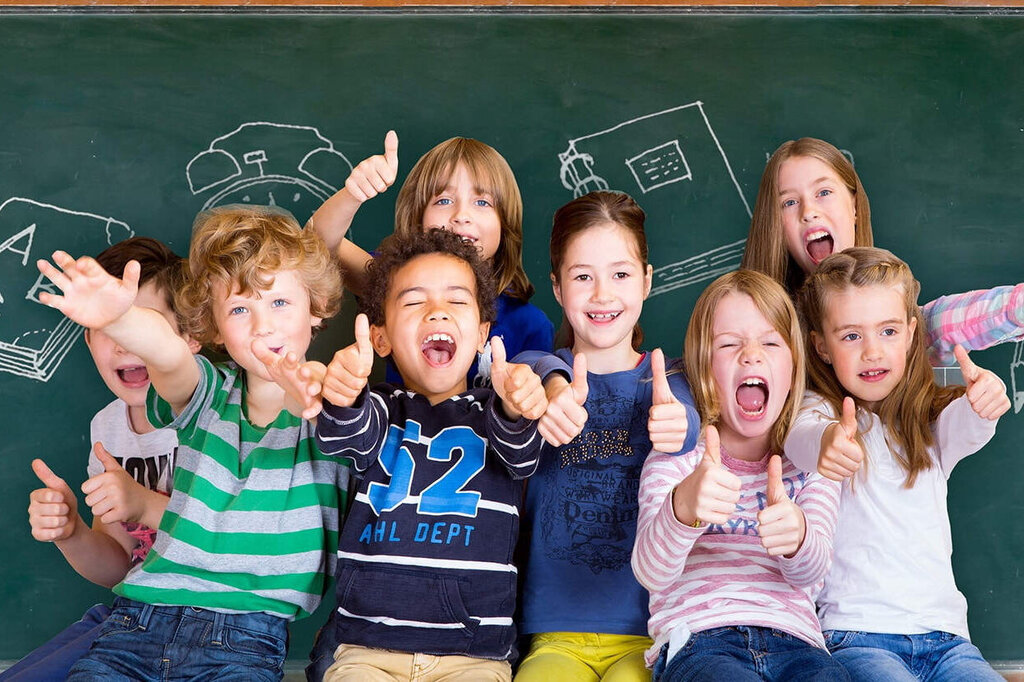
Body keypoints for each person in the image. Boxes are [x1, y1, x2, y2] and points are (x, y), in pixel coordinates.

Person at [35, 205, 349, 681]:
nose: (262, 325)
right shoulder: (207, 397)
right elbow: (167, 354)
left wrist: (321, 389)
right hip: (138, 623)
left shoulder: (338, 405)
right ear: (214, 328)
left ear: (317, 310)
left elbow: (335, 408)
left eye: (279, 303)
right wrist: (121, 320)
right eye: (240, 309)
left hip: (246, 641)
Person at [272, 227, 548, 681]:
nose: (437, 311)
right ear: (380, 338)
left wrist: (520, 407)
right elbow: (345, 432)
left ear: (482, 334)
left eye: (456, 301)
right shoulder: (380, 408)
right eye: (414, 301)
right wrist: (343, 391)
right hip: (367, 649)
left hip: (473, 655)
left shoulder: (496, 411)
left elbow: (521, 457)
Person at [787, 247, 1010, 682]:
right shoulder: (818, 412)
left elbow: (971, 421)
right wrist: (830, 442)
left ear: (911, 335)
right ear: (822, 346)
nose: (872, 351)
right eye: (851, 336)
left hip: (947, 640)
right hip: (857, 637)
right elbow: (803, 440)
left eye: (888, 331)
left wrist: (988, 398)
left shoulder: (928, 423)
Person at [513, 190, 699, 682]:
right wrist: (551, 386)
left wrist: (678, 425)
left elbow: (686, 423)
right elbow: (525, 368)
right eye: (582, 277)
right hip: (553, 634)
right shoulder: (535, 377)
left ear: (647, 280)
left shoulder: (670, 380)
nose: (602, 294)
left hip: (647, 633)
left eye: (620, 274)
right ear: (556, 286)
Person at [632, 269, 847, 682]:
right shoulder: (676, 458)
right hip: (699, 641)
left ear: (792, 368)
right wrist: (682, 508)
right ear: (703, 365)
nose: (751, 354)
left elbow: (811, 573)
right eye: (730, 344)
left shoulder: (810, 464)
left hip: (797, 642)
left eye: (770, 342)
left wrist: (798, 537)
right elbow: (650, 572)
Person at [4, 238, 196, 682]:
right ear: (89, 337)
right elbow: (119, 565)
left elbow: (235, 536)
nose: (125, 344)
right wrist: (71, 532)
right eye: (108, 327)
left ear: (191, 338)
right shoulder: (107, 429)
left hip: (213, 623)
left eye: (139, 324)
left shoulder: (214, 414)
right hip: (133, 614)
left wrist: (142, 502)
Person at [741, 137, 1024, 366]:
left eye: (823, 192)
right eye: (789, 202)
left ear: (854, 206)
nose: (809, 212)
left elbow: (940, 323)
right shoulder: (758, 331)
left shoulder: (909, 323)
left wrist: (1015, 307)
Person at [308, 131, 553, 387]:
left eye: (482, 202)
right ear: (417, 219)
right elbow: (317, 242)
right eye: (444, 200)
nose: (461, 215)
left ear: (505, 223)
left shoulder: (530, 324)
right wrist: (354, 194)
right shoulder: (396, 283)